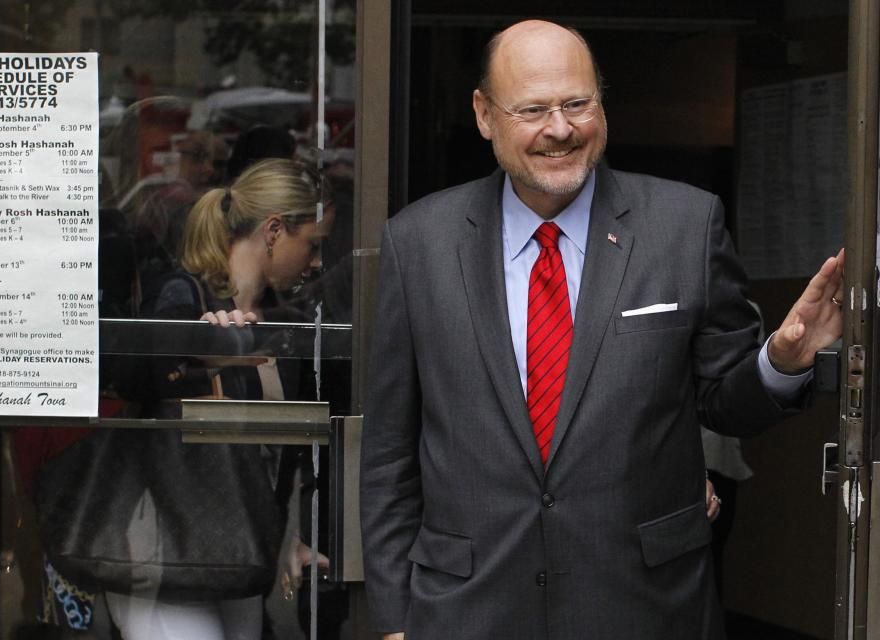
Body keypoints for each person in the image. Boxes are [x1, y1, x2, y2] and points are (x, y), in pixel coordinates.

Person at [359, 20, 844, 640]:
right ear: (484, 115)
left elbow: (725, 401)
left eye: (577, 104)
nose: (560, 129)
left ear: (602, 103)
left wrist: (782, 361)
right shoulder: (419, 242)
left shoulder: (684, 225)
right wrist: (396, 618)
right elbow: (390, 453)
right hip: (466, 608)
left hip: (644, 604)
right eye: (532, 109)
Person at [104, 158, 333, 640]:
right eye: (310, 245)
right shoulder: (183, 297)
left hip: (237, 553)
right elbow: (134, 377)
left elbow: (275, 449)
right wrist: (201, 352)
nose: (316, 262)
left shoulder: (278, 323)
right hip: (171, 555)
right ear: (273, 231)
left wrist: (290, 534)